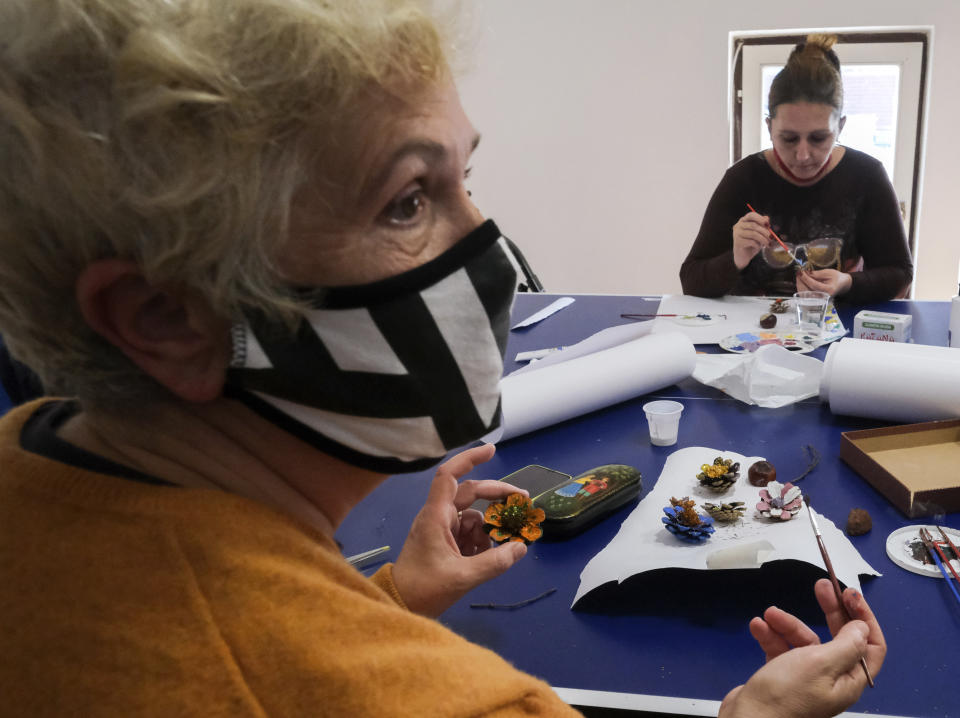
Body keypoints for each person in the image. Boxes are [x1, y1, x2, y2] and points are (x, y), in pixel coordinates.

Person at [0, 3, 884, 716]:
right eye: (407, 201)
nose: (495, 258)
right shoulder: (459, 703)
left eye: (466, 177)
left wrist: (390, 596)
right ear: (166, 319)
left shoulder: (26, 454)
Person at [680, 34, 913, 302]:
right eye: (789, 138)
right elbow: (691, 280)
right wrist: (735, 257)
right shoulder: (743, 179)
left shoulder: (866, 177)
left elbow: (901, 276)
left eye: (818, 138)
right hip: (750, 338)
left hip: (837, 335)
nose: (803, 155)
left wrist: (848, 283)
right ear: (769, 128)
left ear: (841, 127)